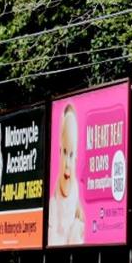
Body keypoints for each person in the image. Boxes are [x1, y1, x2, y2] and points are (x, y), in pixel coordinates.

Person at [48, 104, 85, 245]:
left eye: (71, 154)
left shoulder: (74, 185)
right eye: (64, 152)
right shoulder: (61, 183)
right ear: (59, 151)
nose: (68, 163)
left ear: (76, 156)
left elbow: (74, 205)